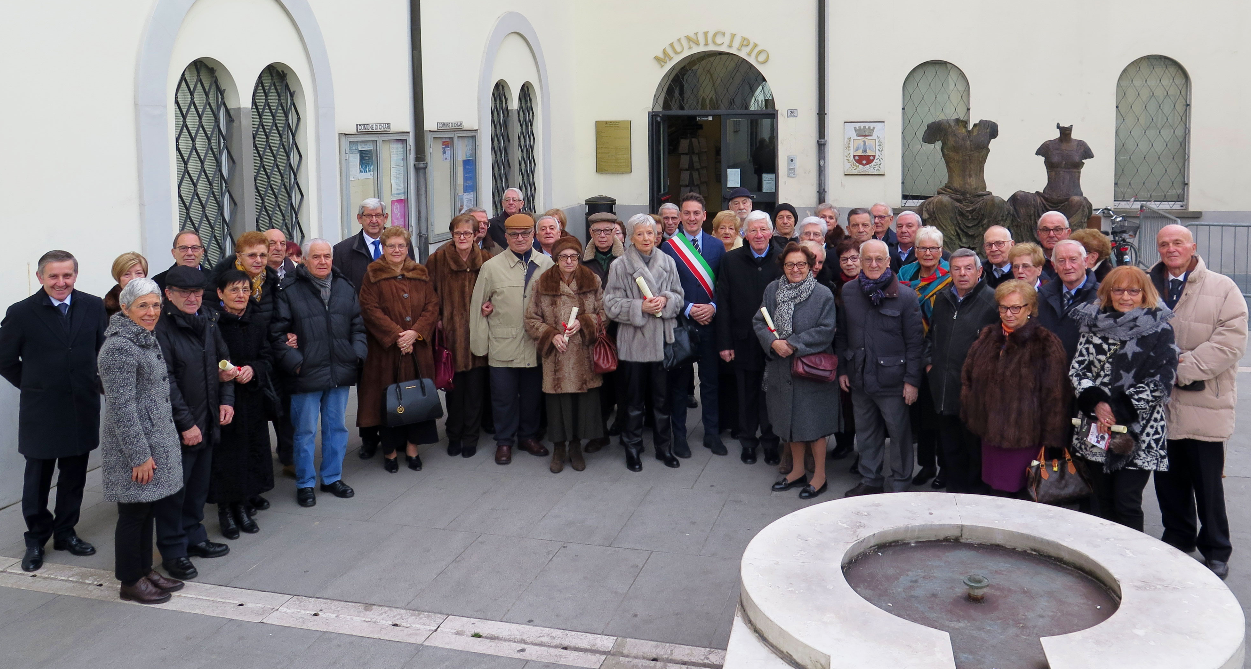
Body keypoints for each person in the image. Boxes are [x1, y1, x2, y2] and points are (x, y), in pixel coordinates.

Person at [1150, 224, 1248, 580]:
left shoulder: (1223, 287)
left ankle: (1216, 548)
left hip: (1204, 400)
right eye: (1164, 244)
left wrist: (1179, 368)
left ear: (1192, 246)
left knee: (1207, 481)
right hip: (1159, 404)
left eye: (1178, 242)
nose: (1171, 249)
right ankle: (1178, 536)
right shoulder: (1147, 282)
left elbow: (1230, 341)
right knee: (1167, 478)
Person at [0, 250, 107, 572]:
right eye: (54, 276)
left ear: (75, 275)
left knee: (74, 477)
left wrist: (94, 382)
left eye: (67, 275)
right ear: (40, 277)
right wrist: (35, 386)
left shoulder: (93, 305)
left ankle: (65, 533)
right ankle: (35, 538)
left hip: (81, 407)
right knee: (37, 480)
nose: (61, 282)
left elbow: (102, 350)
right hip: (42, 411)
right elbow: (4, 361)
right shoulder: (20, 313)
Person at [98, 277, 187, 604]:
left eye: (155, 305)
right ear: (125, 308)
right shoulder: (119, 347)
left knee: (146, 510)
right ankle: (130, 581)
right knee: (133, 515)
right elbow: (121, 407)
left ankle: (144, 569)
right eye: (143, 306)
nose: (151, 312)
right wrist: (139, 456)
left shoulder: (143, 338)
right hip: (133, 447)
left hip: (153, 439)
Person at [1070, 267, 1177, 532]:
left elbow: (1162, 380)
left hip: (1140, 430)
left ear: (1145, 293)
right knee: (1102, 501)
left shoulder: (1160, 329)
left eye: (1133, 290)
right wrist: (1097, 402)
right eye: (1118, 290)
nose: (1125, 296)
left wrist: (1117, 409)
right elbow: (1078, 370)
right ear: (1108, 292)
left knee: (1127, 502)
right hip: (1097, 427)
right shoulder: (1093, 324)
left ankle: (1132, 565)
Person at [271, 239, 367, 507]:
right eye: (317, 257)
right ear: (304, 259)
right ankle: (304, 483)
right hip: (306, 373)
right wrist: (296, 363)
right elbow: (277, 334)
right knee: (304, 431)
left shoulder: (345, 287)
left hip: (339, 369)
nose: (323, 261)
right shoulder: (289, 288)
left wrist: (356, 354)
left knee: (336, 427)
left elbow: (357, 326)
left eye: (327, 256)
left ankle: (332, 478)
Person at [154, 265, 235, 580]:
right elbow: (166, 381)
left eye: (197, 292)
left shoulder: (209, 320)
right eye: (184, 293)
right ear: (169, 294)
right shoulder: (161, 328)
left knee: (198, 486)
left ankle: (194, 536)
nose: (192, 298)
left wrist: (227, 399)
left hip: (208, 417)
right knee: (176, 490)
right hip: (180, 425)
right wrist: (186, 423)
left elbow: (224, 363)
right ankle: (173, 550)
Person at [961, 280, 1070, 495]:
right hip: (990, 434)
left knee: (1021, 494)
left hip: (1025, 438)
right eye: (1003, 307)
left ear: (1030, 308)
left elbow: (1056, 396)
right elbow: (968, 377)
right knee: (995, 491)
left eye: (1015, 308)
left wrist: (1050, 438)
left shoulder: (1045, 343)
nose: (1008, 313)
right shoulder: (988, 337)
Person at [837, 240, 924, 496]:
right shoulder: (850, 292)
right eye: (868, 259)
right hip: (859, 376)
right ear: (860, 262)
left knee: (898, 434)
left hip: (893, 380)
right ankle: (870, 480)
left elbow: (915, 343)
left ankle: (900, 483)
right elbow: (842, 334)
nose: (873, 264)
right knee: (865, 433)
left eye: (879, 259)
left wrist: (912, 381)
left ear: (888, 262)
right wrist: (843, 369)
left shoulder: (906, 296)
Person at [755, 243, 840, 500]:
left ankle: (820, 476)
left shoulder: (822, 294)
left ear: (811, 266)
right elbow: (760, 320)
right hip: (781, 368)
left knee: (814, 424)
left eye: (801, 264)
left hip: (811, 370)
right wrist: (772, 343)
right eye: (790, 264)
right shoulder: (773, 289)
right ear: (783, 266)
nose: (795, 269)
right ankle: (797, 471)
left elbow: (826, 330)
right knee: (789, 421)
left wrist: (792, 344)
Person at [470, 214, 554, 465]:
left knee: (531, 396)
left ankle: (528, 436)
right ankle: (504, 441)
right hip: (502, 343)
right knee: (503, 398)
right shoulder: (491, 267)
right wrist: (480, 345)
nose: (520, 239)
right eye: (514, 235)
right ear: (505, 237)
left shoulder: (547, 265)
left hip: (536, 345)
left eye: (525, 234)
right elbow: (478, 307)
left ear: (533, 236)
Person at [604, 213, 684, 471]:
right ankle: (633, 448)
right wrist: (640, 307)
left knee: (662, 401)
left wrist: (666, 301)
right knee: (633, 401)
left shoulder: (668, 262)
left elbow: (679, 297)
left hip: (662, 342)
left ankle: (664, 448)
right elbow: (611, 305)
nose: (646, 238)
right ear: (630, 237)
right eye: (640, 233)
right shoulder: (619, 266)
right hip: (634, 344)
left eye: (650, 233)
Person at [358, 226, 441, 473]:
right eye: (391, 246)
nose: (396, 250)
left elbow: (432, 304)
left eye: (401, 246)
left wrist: (415, 333)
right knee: (388, 401)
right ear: (383, 248)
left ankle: (413, 448)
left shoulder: (420, 272)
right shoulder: (372, 274)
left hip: (417, 348)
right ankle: (390, 452)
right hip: (386, 352)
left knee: (417, 399)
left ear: (408, 248)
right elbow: (369, 309)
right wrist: (397, 336)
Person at [524, 236, 606, 472]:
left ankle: (576, 446)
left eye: (574, 256)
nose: (569, 261)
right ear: (555, 258)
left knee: (582, 403)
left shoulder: (592, 280)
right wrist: (551, 335)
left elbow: (604, 314)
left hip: (583, 352)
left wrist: (585, 322)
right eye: (563, 257)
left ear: (579, 258)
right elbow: (531, 319)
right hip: (556, 355)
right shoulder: (543, 282)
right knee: (558, 403)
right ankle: (559, 447)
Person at [924, 249, 999, 493]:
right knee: (950, 450)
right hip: (943, 388)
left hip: (974, 394)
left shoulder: (992, 302)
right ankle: (954, 498)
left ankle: (975, 500)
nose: (962, 273)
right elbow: (930, 335)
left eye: (968, 268)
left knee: (974, 452)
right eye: (956, 269)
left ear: (979, 271)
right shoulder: (943, 299)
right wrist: (929, 363)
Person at [333, 197, 402, 460]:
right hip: (362, 330)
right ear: (359, 219)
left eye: (379, 215)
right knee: (368, 385)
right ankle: (369, 437)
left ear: (386, 218)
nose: (374, 220)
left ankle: (393, 434)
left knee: (394, 380)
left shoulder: (398, 246)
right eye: (368, 215)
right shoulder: (343, 250)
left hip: (394, 329)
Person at [662, 192, 728, 457]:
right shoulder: (669, 247)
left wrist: (712, 307)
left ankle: (711, 434)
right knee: (679, 385)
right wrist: (689, 307)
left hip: (710, 323)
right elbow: (666, 287)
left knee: (710, 382)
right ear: (680, 217)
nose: (691, 218)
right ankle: (679, 436)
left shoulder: (716, 246)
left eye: (696, 213)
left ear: (704, 216)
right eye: (686, 213)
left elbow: (723, 285)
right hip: (682, 323)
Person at [211, 270, 275, 539]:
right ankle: (226, 511)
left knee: (251, 449)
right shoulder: (212, 324)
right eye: (234, 290)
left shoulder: (257, 321)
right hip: (224, 399)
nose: (240, 295)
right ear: (220, 294)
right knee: (227, 456)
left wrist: (254, 369)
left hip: (252, 397)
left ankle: (245, 504)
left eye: (245, 290)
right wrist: (222, 373)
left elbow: (267, 356)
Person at [717, 211, 782, 465]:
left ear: (771, 232)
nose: (758, 235)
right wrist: (725, 343)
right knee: (746, 395)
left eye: (763, 230)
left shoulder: (782, 259)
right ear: (744, 233)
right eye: (752, 230)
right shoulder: (731, 260)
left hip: (775, 341)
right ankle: (747, 442)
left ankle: (770, 443)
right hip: (742, 340)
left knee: (771, 395)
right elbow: (723, 302)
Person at [428, 213, 491, 458]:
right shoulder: (438, 259)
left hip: (478, 334)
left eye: (467, 233)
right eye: (457, 233)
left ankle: (471, 437)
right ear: (451, 235)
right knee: (454, 391)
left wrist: (490, 306)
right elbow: (428, 293)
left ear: (476, 235)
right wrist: (439, 318)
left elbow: (495, 291)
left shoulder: (486, 259)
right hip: (451, 336)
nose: (462, 237)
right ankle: (454, 434)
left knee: (476, 391)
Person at [896, 225, 952, 488]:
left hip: (939, 354)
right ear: (915, 250)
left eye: (933, 248)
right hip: (909, 350)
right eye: (923, 248)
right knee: (919, 416)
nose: (928, 253)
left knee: (938, 414)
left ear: (941, 251)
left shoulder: (950, 276)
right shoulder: (905, 273)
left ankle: (944, 467)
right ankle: (926, 464)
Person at [582, 212, 626, 447]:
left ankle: (623, 424)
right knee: (597, 382)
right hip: (595, 329)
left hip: (622, 329)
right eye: (597, 231)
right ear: (591, 233)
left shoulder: (627, 259)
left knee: (623, 380)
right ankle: (598, 432)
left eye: (607, 231)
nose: (602, 235)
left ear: (614, 232)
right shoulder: (582, 261)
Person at [1037, 238, 1100, 361]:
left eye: (1073, 260)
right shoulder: (1041, 297)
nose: (1067, 266)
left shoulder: (1101, 298)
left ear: (1085, 261)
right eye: (1061, 261)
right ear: (1054, 266)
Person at [828, 238, 862, 460]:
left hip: (862, 350)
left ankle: (865, 451)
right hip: (839, 349)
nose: (849, 263)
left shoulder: (870, 283)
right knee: (843, 401)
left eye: (854, 258)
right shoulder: (834, 286)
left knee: (862, 404)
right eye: (844, 259)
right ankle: (844, 442)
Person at [206, 231, 280, 326]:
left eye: (263, 255)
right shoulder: (219, 279)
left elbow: (277, 321)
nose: (258, 260)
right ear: (239, 256)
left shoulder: (272, 281)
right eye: (252, 255)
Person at [104, 252, 149, 317]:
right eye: (126, 274)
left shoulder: (158, 305)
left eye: (139, 273)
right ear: (118, 278)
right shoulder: (105, 308)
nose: (134, 279)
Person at [1035, 210, 1071, 282]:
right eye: (1045, 230)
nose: (1051, 235)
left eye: (1057, 230)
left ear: (1068, 233)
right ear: (1039, 234)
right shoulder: (1032, 260)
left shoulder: (1077, 259)